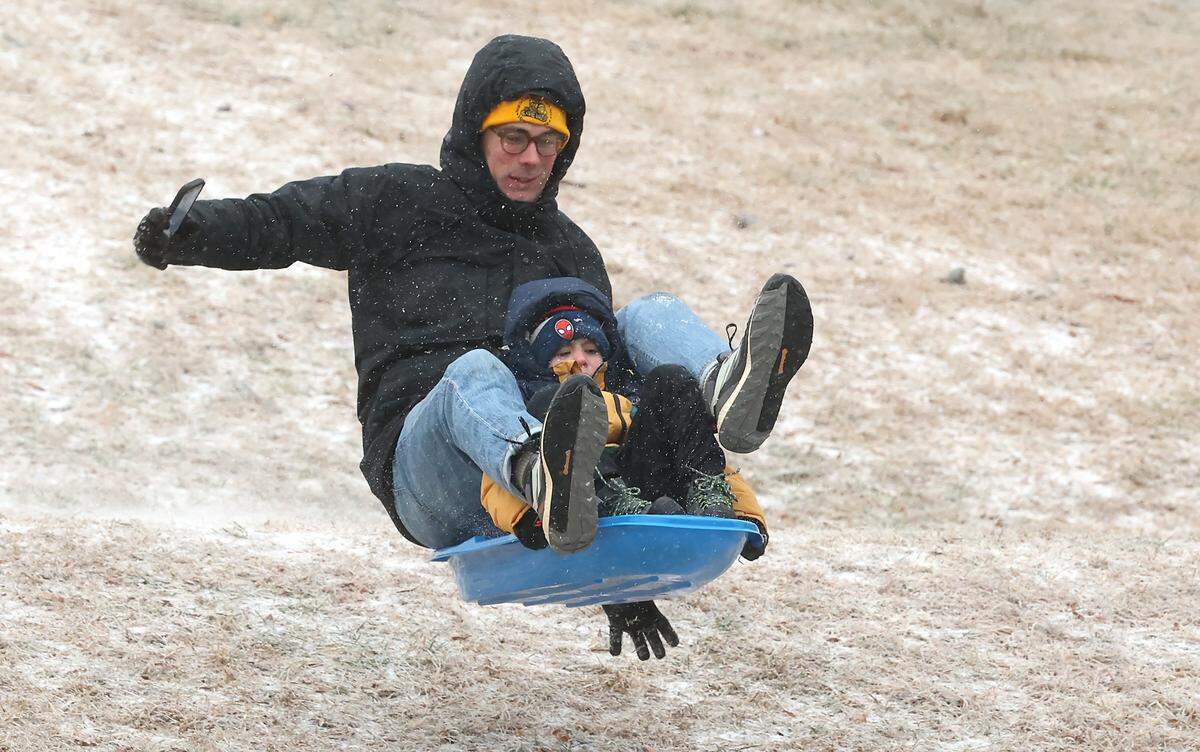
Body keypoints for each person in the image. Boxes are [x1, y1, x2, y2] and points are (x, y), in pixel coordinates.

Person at [131, 34, 813, 660]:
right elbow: (283, 223)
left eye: (547, 144)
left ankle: (718, 391)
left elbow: (613, 396)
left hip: (559, 475)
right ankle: (534, 471)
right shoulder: (395, 200)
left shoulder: (571, 252)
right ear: (476, 132)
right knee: (473, 373)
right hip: (430, 467)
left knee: (648, 314)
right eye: (513, 137)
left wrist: (621, 569)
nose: (529, 158)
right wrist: (188, 236)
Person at [480, 277, 770, 565]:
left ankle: (707, 495)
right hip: (587, 503)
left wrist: (745, 514)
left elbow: (697, 446)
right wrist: (527, 518)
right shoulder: (530, 403)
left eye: (591, 350)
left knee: (670, 379)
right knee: (560, 403)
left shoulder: (631, 391)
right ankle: (614, 501)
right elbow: (502, 470)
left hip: (649, 479)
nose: (580, 360)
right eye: (563, 353)